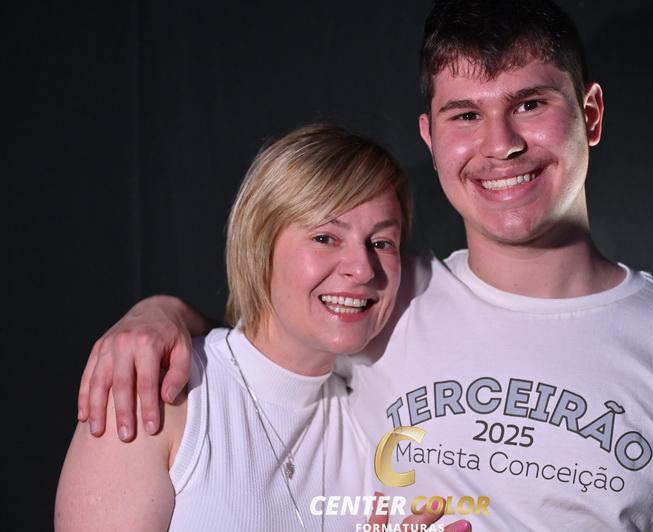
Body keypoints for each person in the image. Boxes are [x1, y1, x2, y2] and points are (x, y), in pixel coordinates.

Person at [76, 0, 653, 529]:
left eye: (530, 104)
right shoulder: (388, 302)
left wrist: (159, 315)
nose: (501, 144)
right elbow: (267, 340)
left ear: (591, 113)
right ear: (430, 135)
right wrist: (159, 317)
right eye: (466, 115)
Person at [56, 124, 469, 531]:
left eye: (381, 243)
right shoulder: (157, 394)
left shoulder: (372, 429)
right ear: (260, 243)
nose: (362, 269)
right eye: (325, 238)